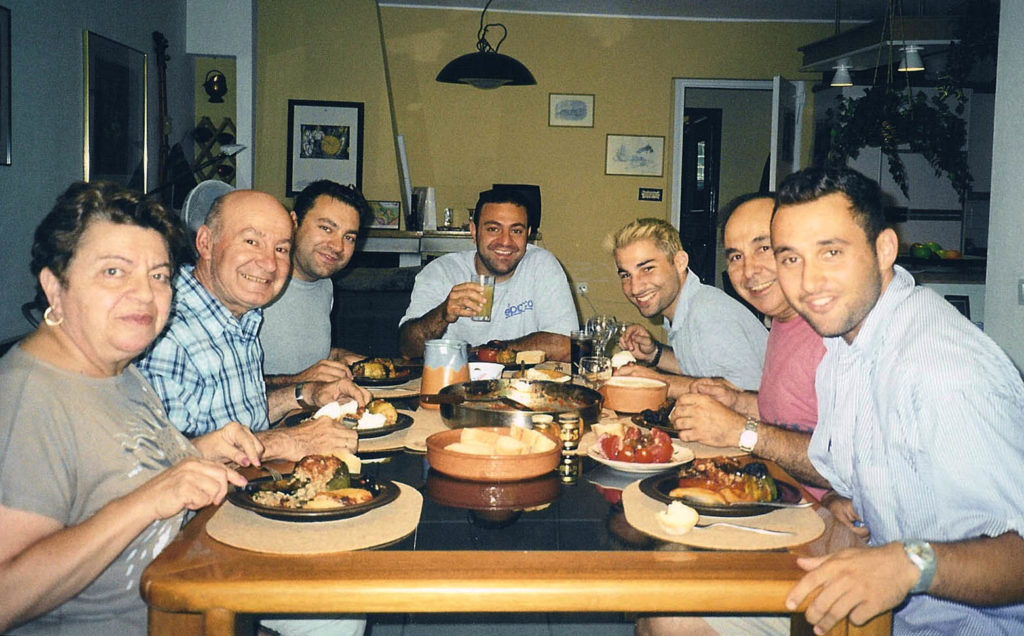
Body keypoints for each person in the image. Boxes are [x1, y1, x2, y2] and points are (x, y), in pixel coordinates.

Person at [771, 167, 1024, 634]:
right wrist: (851, 498)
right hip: (874, 615)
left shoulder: (941, 370)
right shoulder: (845, 346)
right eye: (791, 259)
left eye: (831, 252)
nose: (809, 282)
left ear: (884, 249)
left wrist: (910, 564)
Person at [0, 182, 261, 635]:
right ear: (54, 286)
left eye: (159, 275)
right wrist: (150, 500)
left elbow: (110, 474)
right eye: (114, 272)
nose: (145, 293)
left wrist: (195, 454)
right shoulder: (27, 400)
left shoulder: (119, 371)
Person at [637, 194, 854, 636]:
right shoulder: (787, 323)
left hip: (822, 546)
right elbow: (796, 412)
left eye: (764, 248)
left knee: (664, 610)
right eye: (735, 255)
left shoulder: (835, 333)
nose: (748, 269)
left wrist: (743, 429)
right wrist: (739, 400)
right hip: (792, 511)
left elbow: (845, 462)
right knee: (657, 564)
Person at [137, 189, 369, 460]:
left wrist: (306, 393)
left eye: (281, 249)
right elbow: (157, 459)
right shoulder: (164, 329)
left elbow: (238, 417)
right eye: (251, 241)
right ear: (205, 243)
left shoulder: (243, 316)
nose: (269, 263)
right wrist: (283, 442)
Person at [399, 188, 576, 361]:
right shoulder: (441, 271)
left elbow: (567, 346)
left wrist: (491, 351)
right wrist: (442, 313)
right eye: (493, 229)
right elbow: (407, 349)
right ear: (474, 232)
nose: (506, 241)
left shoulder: (541, 264)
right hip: (454, 383)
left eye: (516, 231)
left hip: (522, 386)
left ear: (528, 234)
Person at [609, 217, 768, 395]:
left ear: (680, 262)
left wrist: (659, 382)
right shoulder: (686, 308)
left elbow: (747, 393)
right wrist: (654, 353)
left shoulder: (708, 313)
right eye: (626, 275)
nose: (635, 287)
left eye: (647, 269)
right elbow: (703, 369)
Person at [260, 180, 372, 386]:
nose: (338, 247)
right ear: (293, 223)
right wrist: (299, 381)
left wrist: (336, 356)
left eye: (349, 237)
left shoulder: (325, 285)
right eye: (327, 228)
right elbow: (229, 386)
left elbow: (293, 356)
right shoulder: (255, 282)